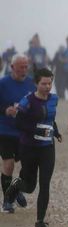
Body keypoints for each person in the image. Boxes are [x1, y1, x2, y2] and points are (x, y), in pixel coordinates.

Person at [3, 66, 61, 227]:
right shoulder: (27, 101)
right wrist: (35, 130)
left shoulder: (54, 99)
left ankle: (40, 222)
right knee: (29, 186)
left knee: (45, 184)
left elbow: (50, 119)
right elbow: (18, 123)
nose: (47, 87)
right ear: (36, 84)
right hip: (29, 147)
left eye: (50, 83)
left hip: (47, 148)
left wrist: (55, 132)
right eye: (44, 84)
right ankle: (15, 186)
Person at [1, 54, 34, 213]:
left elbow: (37, 104)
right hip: (5, 130)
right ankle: (7, 200)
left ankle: (16, 188)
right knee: (8, 164)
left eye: (26, 66)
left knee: (26, 165)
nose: (24, 70)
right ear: (12, 67)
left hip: (24, 131)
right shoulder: (3, 83)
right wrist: (5, 110)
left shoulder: (31, 83)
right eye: (21, 67)